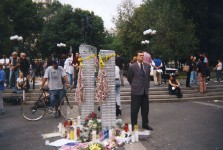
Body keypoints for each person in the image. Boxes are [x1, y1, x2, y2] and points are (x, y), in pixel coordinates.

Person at [127, 50, 153, 131]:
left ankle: (145, 124)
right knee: (134, 110)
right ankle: (134, 126)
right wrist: (135, 85)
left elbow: (148, 78)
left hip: (145, 91)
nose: (142, 56)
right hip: (136, 92)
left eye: (143, 55)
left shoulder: (147, 66)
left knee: (145, 110)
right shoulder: (132, 66)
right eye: (140, 55)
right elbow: (129, 78)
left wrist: (147, 86)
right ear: (137, 57)